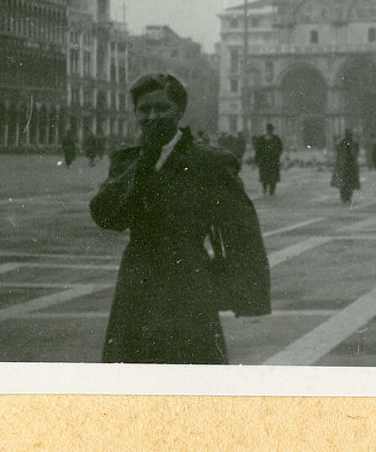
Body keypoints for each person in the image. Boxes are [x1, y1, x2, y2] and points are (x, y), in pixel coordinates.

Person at [89, 73, 270, 364]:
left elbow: (242, 228)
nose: (152, 116)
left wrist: (245, 294)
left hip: (189, 281)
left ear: (180, 112)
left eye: (162, 108)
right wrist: (144, 162)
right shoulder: (127, 161)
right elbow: (107, 215)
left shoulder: (209, 161)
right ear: (135, 113)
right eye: (144, 110)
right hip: (137, 281)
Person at [255, 123, 283, 196]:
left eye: (270, 130)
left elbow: (280, 148)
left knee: (273, 177)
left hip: (273, 161)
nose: (269, 131)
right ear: (266, 130)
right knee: (264, 176)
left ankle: (272, 190)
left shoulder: (276, 139)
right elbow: (258, 149)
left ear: (272, 130)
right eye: (268, 129)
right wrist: (258, 158)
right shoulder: (261, 139)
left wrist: (275, 154)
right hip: (264, 161)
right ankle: (264, 189)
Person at [332, 129, 360, 204]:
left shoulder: (346, 142)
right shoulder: (346, 142)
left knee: (347, 181)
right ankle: (345, 196)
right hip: (346, 164)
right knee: (346, 181)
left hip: (348, 164)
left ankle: (346, 196)